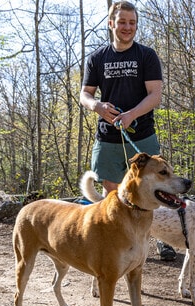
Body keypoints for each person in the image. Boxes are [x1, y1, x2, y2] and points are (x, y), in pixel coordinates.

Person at [80, 0, 176, 261]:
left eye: (132, 23)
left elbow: (155, 95)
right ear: (111, 23)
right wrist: (97, 106)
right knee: (113, 197)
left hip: (142, 135)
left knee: (151, 192)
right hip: (108, 137)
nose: (127, 27)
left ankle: (156, 239)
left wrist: (132, 114)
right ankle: (113, 246)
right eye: (122, 22)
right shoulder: (98, 57)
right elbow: (85, 95)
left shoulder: (146, 55)